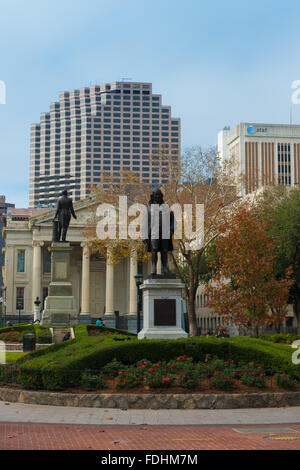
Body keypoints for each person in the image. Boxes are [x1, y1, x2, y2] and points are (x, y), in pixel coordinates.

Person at [142, 188, 175, 275]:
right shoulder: (148, 207)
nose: (158, 197)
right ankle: (154, 267)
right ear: (152, 196)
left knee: (164, 250)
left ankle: (165, 268)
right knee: (154, 250)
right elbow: (145, 222)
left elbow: (173, 220)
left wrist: (171, 229)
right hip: (154, 232)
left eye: (159, 195)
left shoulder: (166, 207)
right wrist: (144, 235)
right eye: (156, 195)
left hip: (165, 233)